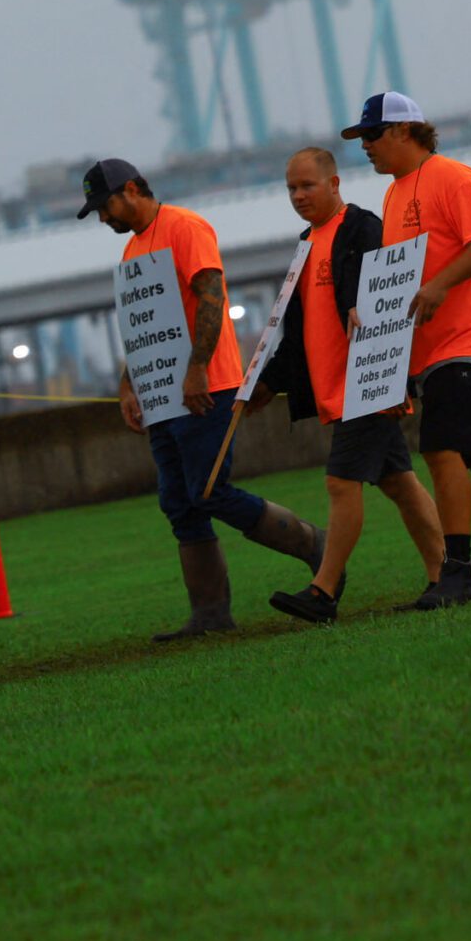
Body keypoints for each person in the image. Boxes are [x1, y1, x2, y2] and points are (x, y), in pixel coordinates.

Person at [80, 156, 323, 640]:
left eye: (104, 206)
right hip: (165, 397)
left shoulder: (185, 228)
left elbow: (210, 296)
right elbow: (146, 329)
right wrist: (131, 384)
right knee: (179, 502)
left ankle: (315, 544)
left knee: (209, 489)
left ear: (131, 190)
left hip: (206, 389)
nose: (103, 218)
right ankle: (210, 615)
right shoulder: (134, 253)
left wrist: (196, 369)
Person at [346, 92, 471, 603]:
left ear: (402, 131)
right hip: (430, 350)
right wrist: (372, 317)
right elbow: (401, 278)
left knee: (440, 449)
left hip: (470, 339)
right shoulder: (393, 195)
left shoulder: (455, 177)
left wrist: (439, 285)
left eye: (371, 135)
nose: (365, 146)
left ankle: (455, 571)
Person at [248, 149, 447, 623]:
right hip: (334, 393)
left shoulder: (362, 228)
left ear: (334, 183)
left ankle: (324, 591)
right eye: (291, 188)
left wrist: (393, 372)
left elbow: (392, 294)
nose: (298, 196)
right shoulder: (304, 244)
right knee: (399, 482)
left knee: (341, 482)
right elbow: (295, 332)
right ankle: (448, 575)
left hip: (368, 383)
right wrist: (265, 384)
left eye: (307, 186)